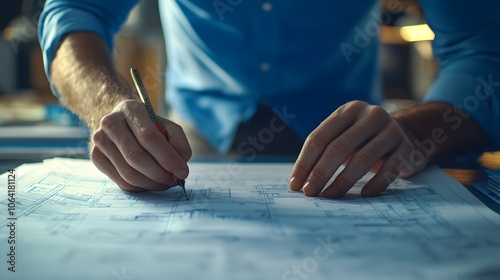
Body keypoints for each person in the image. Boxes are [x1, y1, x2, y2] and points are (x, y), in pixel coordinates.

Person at [39, 0, 500, 198]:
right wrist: (107, 106)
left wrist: (412, 129)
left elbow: (486, 45)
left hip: (363, 157)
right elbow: (76, 11)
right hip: (184, 145)